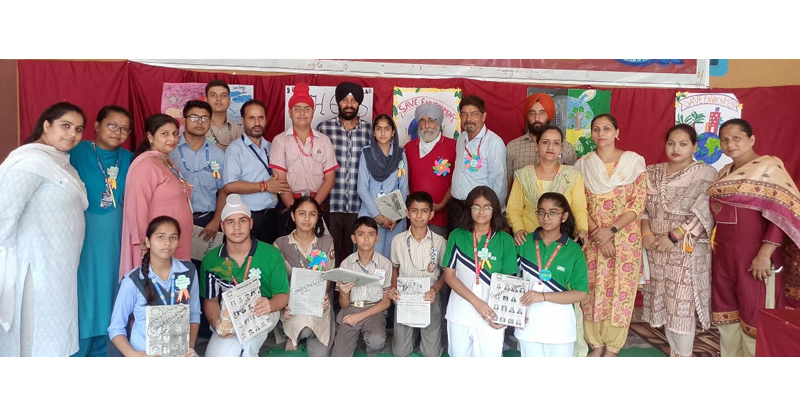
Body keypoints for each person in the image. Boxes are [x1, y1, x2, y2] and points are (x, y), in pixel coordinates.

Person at [0, 102, 89, 356]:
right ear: (47, 125)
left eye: (78, 129)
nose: (72, 134)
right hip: (33, 267)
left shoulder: (63, 165)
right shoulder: (29, 162)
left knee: (54, 338)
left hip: (60, 268)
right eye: (65, 125)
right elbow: (3, 215)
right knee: (32, 336)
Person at [707, 118, 800, 357]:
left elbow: (782, 215)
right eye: (724, 140)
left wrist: (765, 254)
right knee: (727, 317)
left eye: (736, 138)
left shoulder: (769, 168)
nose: (730, 144)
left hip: (756, 259)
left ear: (751, 140)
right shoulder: (724, 172)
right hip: (724, 259)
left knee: (755, 318)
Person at [640, 125, 716, 357]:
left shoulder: (705, 174)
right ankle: (674, 353)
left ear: (694, 146)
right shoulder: (652, 172)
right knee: (664, 302)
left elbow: (705, 212)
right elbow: (640, 207)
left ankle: (683, 356)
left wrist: (674, 237)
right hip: (655, 247)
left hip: (686, 249)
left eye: (683, 144)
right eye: (671, 143)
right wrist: (647, 234)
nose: (676, 148)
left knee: (681, 306)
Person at [574, 113, 647, 357]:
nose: (601, 133)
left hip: (625, 240)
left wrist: (611, 231)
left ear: (617, 132)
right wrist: (597, 233)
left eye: (606, 128)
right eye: (596, 129)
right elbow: (579, 204)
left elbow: (637, 204)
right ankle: (595, 344)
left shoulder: (633, 162)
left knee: (620, 290)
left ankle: (613, 347)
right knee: (592, 288)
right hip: (593, 239)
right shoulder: (583, 165)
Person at [68, 105, 135, 357]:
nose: (118, 132)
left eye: (125, 129)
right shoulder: (76, 152)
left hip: (117, 241)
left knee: (111, 293)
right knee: (83, 295)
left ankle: (105, 351)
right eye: (112, 125)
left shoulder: (130, 159)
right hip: (81, 241)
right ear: (97, 126)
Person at [199, 194, 290, 357]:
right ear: (222, 226)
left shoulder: (271, 254)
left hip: (262, 311)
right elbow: (211, 300)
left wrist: (270, 305)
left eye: (242, 221)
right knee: (215, 357)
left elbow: (283, 295)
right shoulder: (211, 259)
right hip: (229, 315)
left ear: (251, 223)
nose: (237, 227)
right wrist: (216, 321)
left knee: (247, 347)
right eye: (230, 222)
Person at [441, 186, 517, 357]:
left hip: (491, 313)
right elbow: (449, 276)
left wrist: (503, 315)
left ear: (494, 210)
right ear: (469, 209)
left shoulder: (505, 240)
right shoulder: (457, 235)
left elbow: (508, 281)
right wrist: (477, 303)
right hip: (460, 311)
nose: (481, 212)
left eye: (487, 207)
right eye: (476, 207)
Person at [108, 216, 199, 357]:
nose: (167, 242)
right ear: (148, 242)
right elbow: (116, 328)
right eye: (160, 237)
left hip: (181, 354)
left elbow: (194, 314)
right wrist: (133, 355)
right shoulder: (132, 281)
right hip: (146, 355)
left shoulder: (188, 271)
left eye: (173, 237)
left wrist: (190, 346)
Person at [119, 114, 194, 278]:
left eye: (175, 133)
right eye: (165, 133)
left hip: (173, 242)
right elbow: (137, 207)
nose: (172, 138)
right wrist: (144, 245)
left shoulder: (166, 161)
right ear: (150, 137)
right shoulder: (145, 164)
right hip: (156, 247)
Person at [516, 192, 589, 357]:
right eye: (541, 212)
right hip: (528, 324)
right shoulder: (523, 243)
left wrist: (542, 296)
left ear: (564, 217)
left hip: (560, 328)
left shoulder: (574, 250)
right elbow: (510, 280)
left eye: (553, 213)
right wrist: (513, 313)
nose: (546, 217)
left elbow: (580, 293)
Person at [317, 81, 372, 265]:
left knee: (356, 258)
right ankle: (328, 286)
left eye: (354, 100)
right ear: (338, 101)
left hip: (359, 205)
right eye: (345, 99)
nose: (349, 104)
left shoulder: (370, 131)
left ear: (359, 103)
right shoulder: (324, 129)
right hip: (330, 204)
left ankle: (351, 286)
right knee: (326, 256)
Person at [274, 196, 336, 356]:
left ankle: (302, 333)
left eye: (312, 214)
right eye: (302, 213)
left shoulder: (326, 242)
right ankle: (292, 335)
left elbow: (328, 275)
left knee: (320, 356)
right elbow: (277, 282)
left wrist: (323, 295)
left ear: (317, 217)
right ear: (293, 215)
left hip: (318, 303)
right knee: (303, 329)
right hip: (291, 305)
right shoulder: (280, 244)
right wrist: (283, 304)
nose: (307, 219)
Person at [223, 99, 292, 244]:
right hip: (249, 218)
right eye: (252, 118)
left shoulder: (272, 147)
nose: (257, 123)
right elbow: (229, 186)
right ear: (243, 121)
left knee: (269, 255)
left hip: (273, 216)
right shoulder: (235, 149)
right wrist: (264, 186)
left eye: (261, 118)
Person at [388, 191, 447, 357]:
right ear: (407, 213)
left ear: (431, 214)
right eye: (414, 211)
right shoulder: (398, 240)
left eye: (424, 211)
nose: (419, 216)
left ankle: (423, 335)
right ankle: (411, 334)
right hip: (405, 297)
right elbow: (395, 268)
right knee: (400, 352)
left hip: (429, 297)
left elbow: (446, 273)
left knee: (431, 354)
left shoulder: (439, 242)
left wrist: (435, 289)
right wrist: (394, 287)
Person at [507, 125, 588, 245]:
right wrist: (518, 229)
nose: (550, 147)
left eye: (556, 143)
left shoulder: (572, 176)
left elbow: (579, 208)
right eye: (545, 142)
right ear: (536, 146)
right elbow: (513, 209)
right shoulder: (523, 175)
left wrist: (582, 229)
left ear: (561, 148)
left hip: (562, 241)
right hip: (529, 240)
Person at [270, 82, 338, 210]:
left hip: (319, 203)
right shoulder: (279, 141)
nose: (302, 113)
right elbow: (280, 181)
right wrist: (295, 211)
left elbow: (329, 179)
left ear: (313, 112)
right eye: (297, 109)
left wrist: (312, 208)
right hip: (289, 204)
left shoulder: (324, 141)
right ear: (290, 113)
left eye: (307, 109)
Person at [331, 217, 393, 357]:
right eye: (360, 234)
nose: (366, 239)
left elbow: (386, 302)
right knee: (339, 356)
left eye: (371, 234)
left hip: (375, 310)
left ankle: (371, 351)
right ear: (353, 238)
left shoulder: (385, 264)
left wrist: (359, 317)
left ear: (377, 238)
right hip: (351, 309)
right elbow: (344, 305)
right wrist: (344, 293)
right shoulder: (346, 264)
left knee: (376, 340)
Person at [169, 100, 227, 240]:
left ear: (210, 122)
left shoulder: (218, 154)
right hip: (173, 219)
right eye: (194, 117)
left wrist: (216, 220)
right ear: (184, 120)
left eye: (205, 118)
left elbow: (223, 190)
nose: (200, 122)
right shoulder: (170, 150)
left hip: (207, 221)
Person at [449, 95, 507, 234]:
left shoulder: (493, 143)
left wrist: (494, 213)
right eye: (464, 114)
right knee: (456, 244)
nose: (468, 119)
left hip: (478, 210)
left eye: (474, 114)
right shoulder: (461, 138)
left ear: (483, 116)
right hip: (456, 207)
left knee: (476, 246)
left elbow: (499, 182)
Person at [357, 114, 410, 259]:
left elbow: (403, 188)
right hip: (370, 214)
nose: (382, 133)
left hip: (394, 218)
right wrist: (378, 216)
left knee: (392, 258)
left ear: (393, 132)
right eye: (378, 129)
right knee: (370, 258)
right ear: (373, 132)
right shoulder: (366, 153)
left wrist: (394, 217)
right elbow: (362, 188)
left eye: (387, 129)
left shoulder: (400, 154)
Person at [404, 103, 457, 237]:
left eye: (431, 120)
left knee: (437, 249)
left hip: (440, 218)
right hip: (414, 218)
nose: (427, 125)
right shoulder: (408, 148)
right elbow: (403, 181)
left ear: (439, 122)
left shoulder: (453, 146)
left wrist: (441, 205)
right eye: (423, 121)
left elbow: (457, 181)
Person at [205, 79, 244, 151]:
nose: (219, 99)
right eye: (213, 95)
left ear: (229, 101)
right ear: (206, 100)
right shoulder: (198, 128)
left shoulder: (239, 131)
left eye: (223, 95)